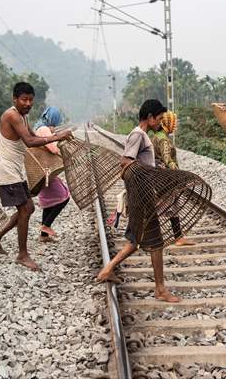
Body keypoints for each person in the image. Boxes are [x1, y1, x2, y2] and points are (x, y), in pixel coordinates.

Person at [96, 99, 180, 303]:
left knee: (135, 240)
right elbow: (126, 162)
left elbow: (136, 163)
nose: (160, 122)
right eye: (158, 118)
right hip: (141, 196)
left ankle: (108, 269)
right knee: (155, 242)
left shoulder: (142, 136)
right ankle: (160, 290)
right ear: (150, 117)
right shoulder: (137, 135)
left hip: (142, 194)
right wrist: (149, 174)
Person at [0, 82, 73, 271]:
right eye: (24, 99)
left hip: (16, 170)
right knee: (26, 209)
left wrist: (56, 138)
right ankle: (22, 255)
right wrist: (57, 137)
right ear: (14, 99)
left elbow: (34, 135)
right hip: (7, 171)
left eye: (30, 100)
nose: (27, 103)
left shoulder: (22, 117)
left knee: (29, 208)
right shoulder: (11, 115)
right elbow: (30, 141)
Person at [149, 111, 195, 246]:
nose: (175, 125)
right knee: (163, 206)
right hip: (167, 178)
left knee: (172, 207)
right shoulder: (163, 139)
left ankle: (178, 237)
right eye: (174, 122)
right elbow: (167, 158)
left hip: (159, 176)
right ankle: (146, 235)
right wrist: (178, 172)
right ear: (169, 123)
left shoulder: (156, 136)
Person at [33, 106, 71, 242]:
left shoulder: (40, 127)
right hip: (46, 170)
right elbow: (53, 148)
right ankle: (46, 226)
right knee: (64, 196)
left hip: (42, 169)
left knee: (49, 200)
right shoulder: (44, 129)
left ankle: (44, 236)